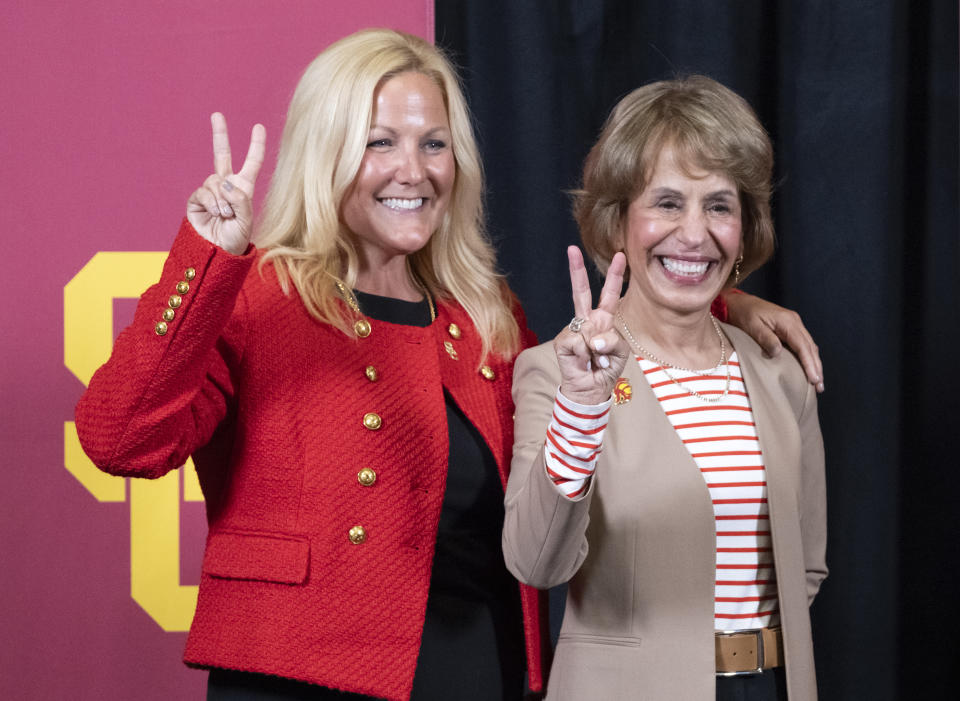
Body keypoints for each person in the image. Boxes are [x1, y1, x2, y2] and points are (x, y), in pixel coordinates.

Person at [76, 28, 822, 701]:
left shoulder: (482, 315)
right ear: (325, 151)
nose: (415, 169)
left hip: (475, 670)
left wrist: (729, 306)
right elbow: (122, 439)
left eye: (434, 143)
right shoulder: (256, 296)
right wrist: (209, 261)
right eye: (379, 142)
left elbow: (607, 343)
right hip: (296, 674)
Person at [503, 75, 827, 701]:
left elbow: (805, 565)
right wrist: (582, 410)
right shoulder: (557, 371)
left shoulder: (778, 371)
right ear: (617, 221)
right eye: (668, 203)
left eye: (719, 205)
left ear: (743, 231)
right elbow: (534, 563)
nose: (694, 233)